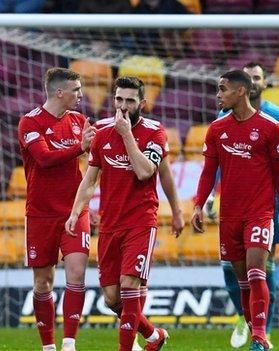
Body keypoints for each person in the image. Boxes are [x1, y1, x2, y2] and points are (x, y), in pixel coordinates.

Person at [66, 76, 176, 351]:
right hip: (110, 224)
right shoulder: (102, 132)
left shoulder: (155, 132)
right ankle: (153, 335)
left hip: (141, 221)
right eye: (119, 99)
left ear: (142, 103)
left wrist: (126, 134)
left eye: (130, 100)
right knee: (112, 298)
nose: (123, 106)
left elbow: (144, 171)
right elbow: (90, 180)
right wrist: (75, 211)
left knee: (129, 286)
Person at [192, 70, 279, 351]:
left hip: (261, 212)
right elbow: (209, 172)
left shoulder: (271, 127)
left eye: (223, 89)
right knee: (243, 279)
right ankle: (253, 326)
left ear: (240, 91)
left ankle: (259, 337)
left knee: (258, 270)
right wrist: (198, 203)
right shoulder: (217, 129)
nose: (218, 94)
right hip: (229, 215)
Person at [18, 67, 96, 351]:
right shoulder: (30, 122)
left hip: (74, 211)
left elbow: (94, 157)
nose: (81, 95)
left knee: (76, 273)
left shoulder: (79, 121)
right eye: (76, 90)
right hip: (40, 214)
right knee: (43, 283)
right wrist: (79, 147)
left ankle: (69, 343)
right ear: (60, 92)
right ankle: (48, 346)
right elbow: (44, 159)